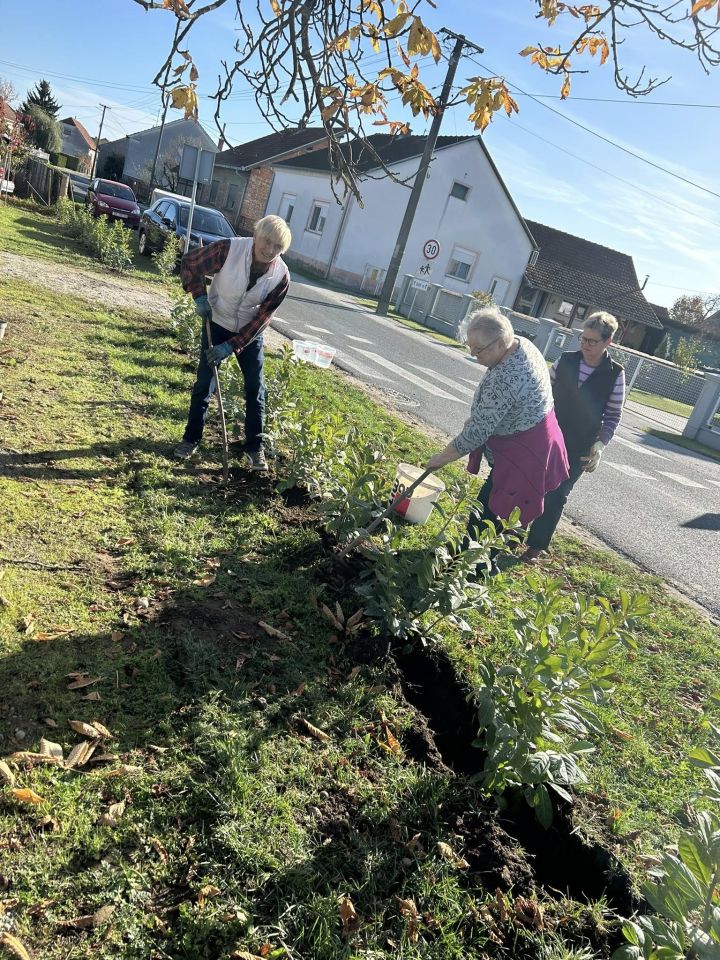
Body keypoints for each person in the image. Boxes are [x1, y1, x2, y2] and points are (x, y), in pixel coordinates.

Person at [425, 306, 569, 550]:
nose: (472, 354)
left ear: (500, 343)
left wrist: (441, 458)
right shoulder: (521, 343)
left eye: (478, 349)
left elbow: (476, 434)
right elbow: (497, 412)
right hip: (536, 438)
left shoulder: (506, 377)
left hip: (525, 453)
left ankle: (473, 566)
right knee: (496, 506)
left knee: (492, 513)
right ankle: (473, 554)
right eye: (469, 346)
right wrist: (484, 416)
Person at [174, 215, 291, 470]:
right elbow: (190, 263)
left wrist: (232, 345)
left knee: (255, 389)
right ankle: (190, 439)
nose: (270, 250)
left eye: (277, 247)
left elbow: (263, 318)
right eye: (267, 241)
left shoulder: (281, 276)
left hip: (249, 334)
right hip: (215, 322)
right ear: (256, 234)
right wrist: (199, 297)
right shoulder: (229, 249)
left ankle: (254, 449)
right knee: (204, 384)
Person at [522, 311, 625, 561]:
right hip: (547, 434)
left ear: (607, 342)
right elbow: (542, 391)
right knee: (530, 483)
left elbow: (613, 415)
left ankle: (536, 546)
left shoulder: (615, 374)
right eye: (583, 338)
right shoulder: (566, 360)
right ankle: (513, 530)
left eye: (592, 341)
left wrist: (600, 444)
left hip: (580, 444)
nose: (585, 345)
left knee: (557, 494)